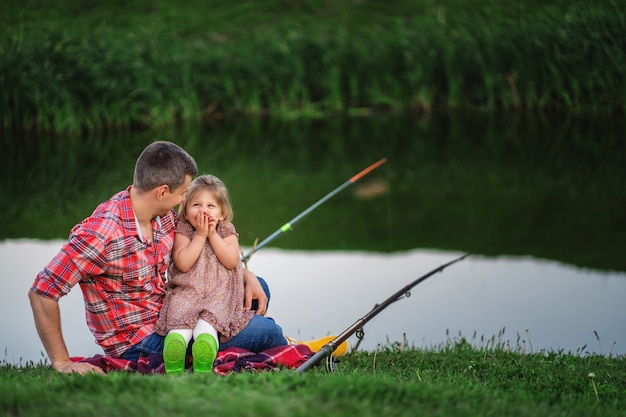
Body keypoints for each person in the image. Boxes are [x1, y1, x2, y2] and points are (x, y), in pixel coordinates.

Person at [28, 141, 284, 375]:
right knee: (268, 331)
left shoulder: (163, 216)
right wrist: (62, 362)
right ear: (162, 192)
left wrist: (244, 275)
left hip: (172, 309)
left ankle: (216, 336)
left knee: (259, 289)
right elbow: (42, 292)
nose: (185, 199)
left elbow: (202, 252)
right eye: (183, 193)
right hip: (141, 340)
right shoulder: (102, 234)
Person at [155, 174, 258, 374]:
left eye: (211, 206)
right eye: (196, 205)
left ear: (222, 213)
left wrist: (212, 234)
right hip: (187, 291)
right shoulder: (183, 230)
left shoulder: (226, 229)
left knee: (207, 326)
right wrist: (201, 235)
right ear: (185, 210)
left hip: (217, 295)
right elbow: (183, 263)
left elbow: (231, 260)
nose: (203, 211)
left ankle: (203, 359)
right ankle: (174, 354)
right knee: (179, 324)